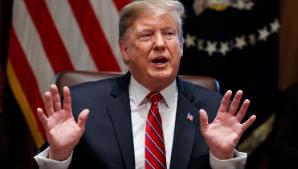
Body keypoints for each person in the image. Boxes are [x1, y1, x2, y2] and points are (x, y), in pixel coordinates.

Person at [34, 0, 256, 168]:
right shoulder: (82, 105)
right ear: (125, 50)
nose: (160, 44)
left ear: (180, 47)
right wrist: (60, 155)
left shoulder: (213, 108)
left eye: (169, 34)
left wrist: (222, 159)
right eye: (146, 35)